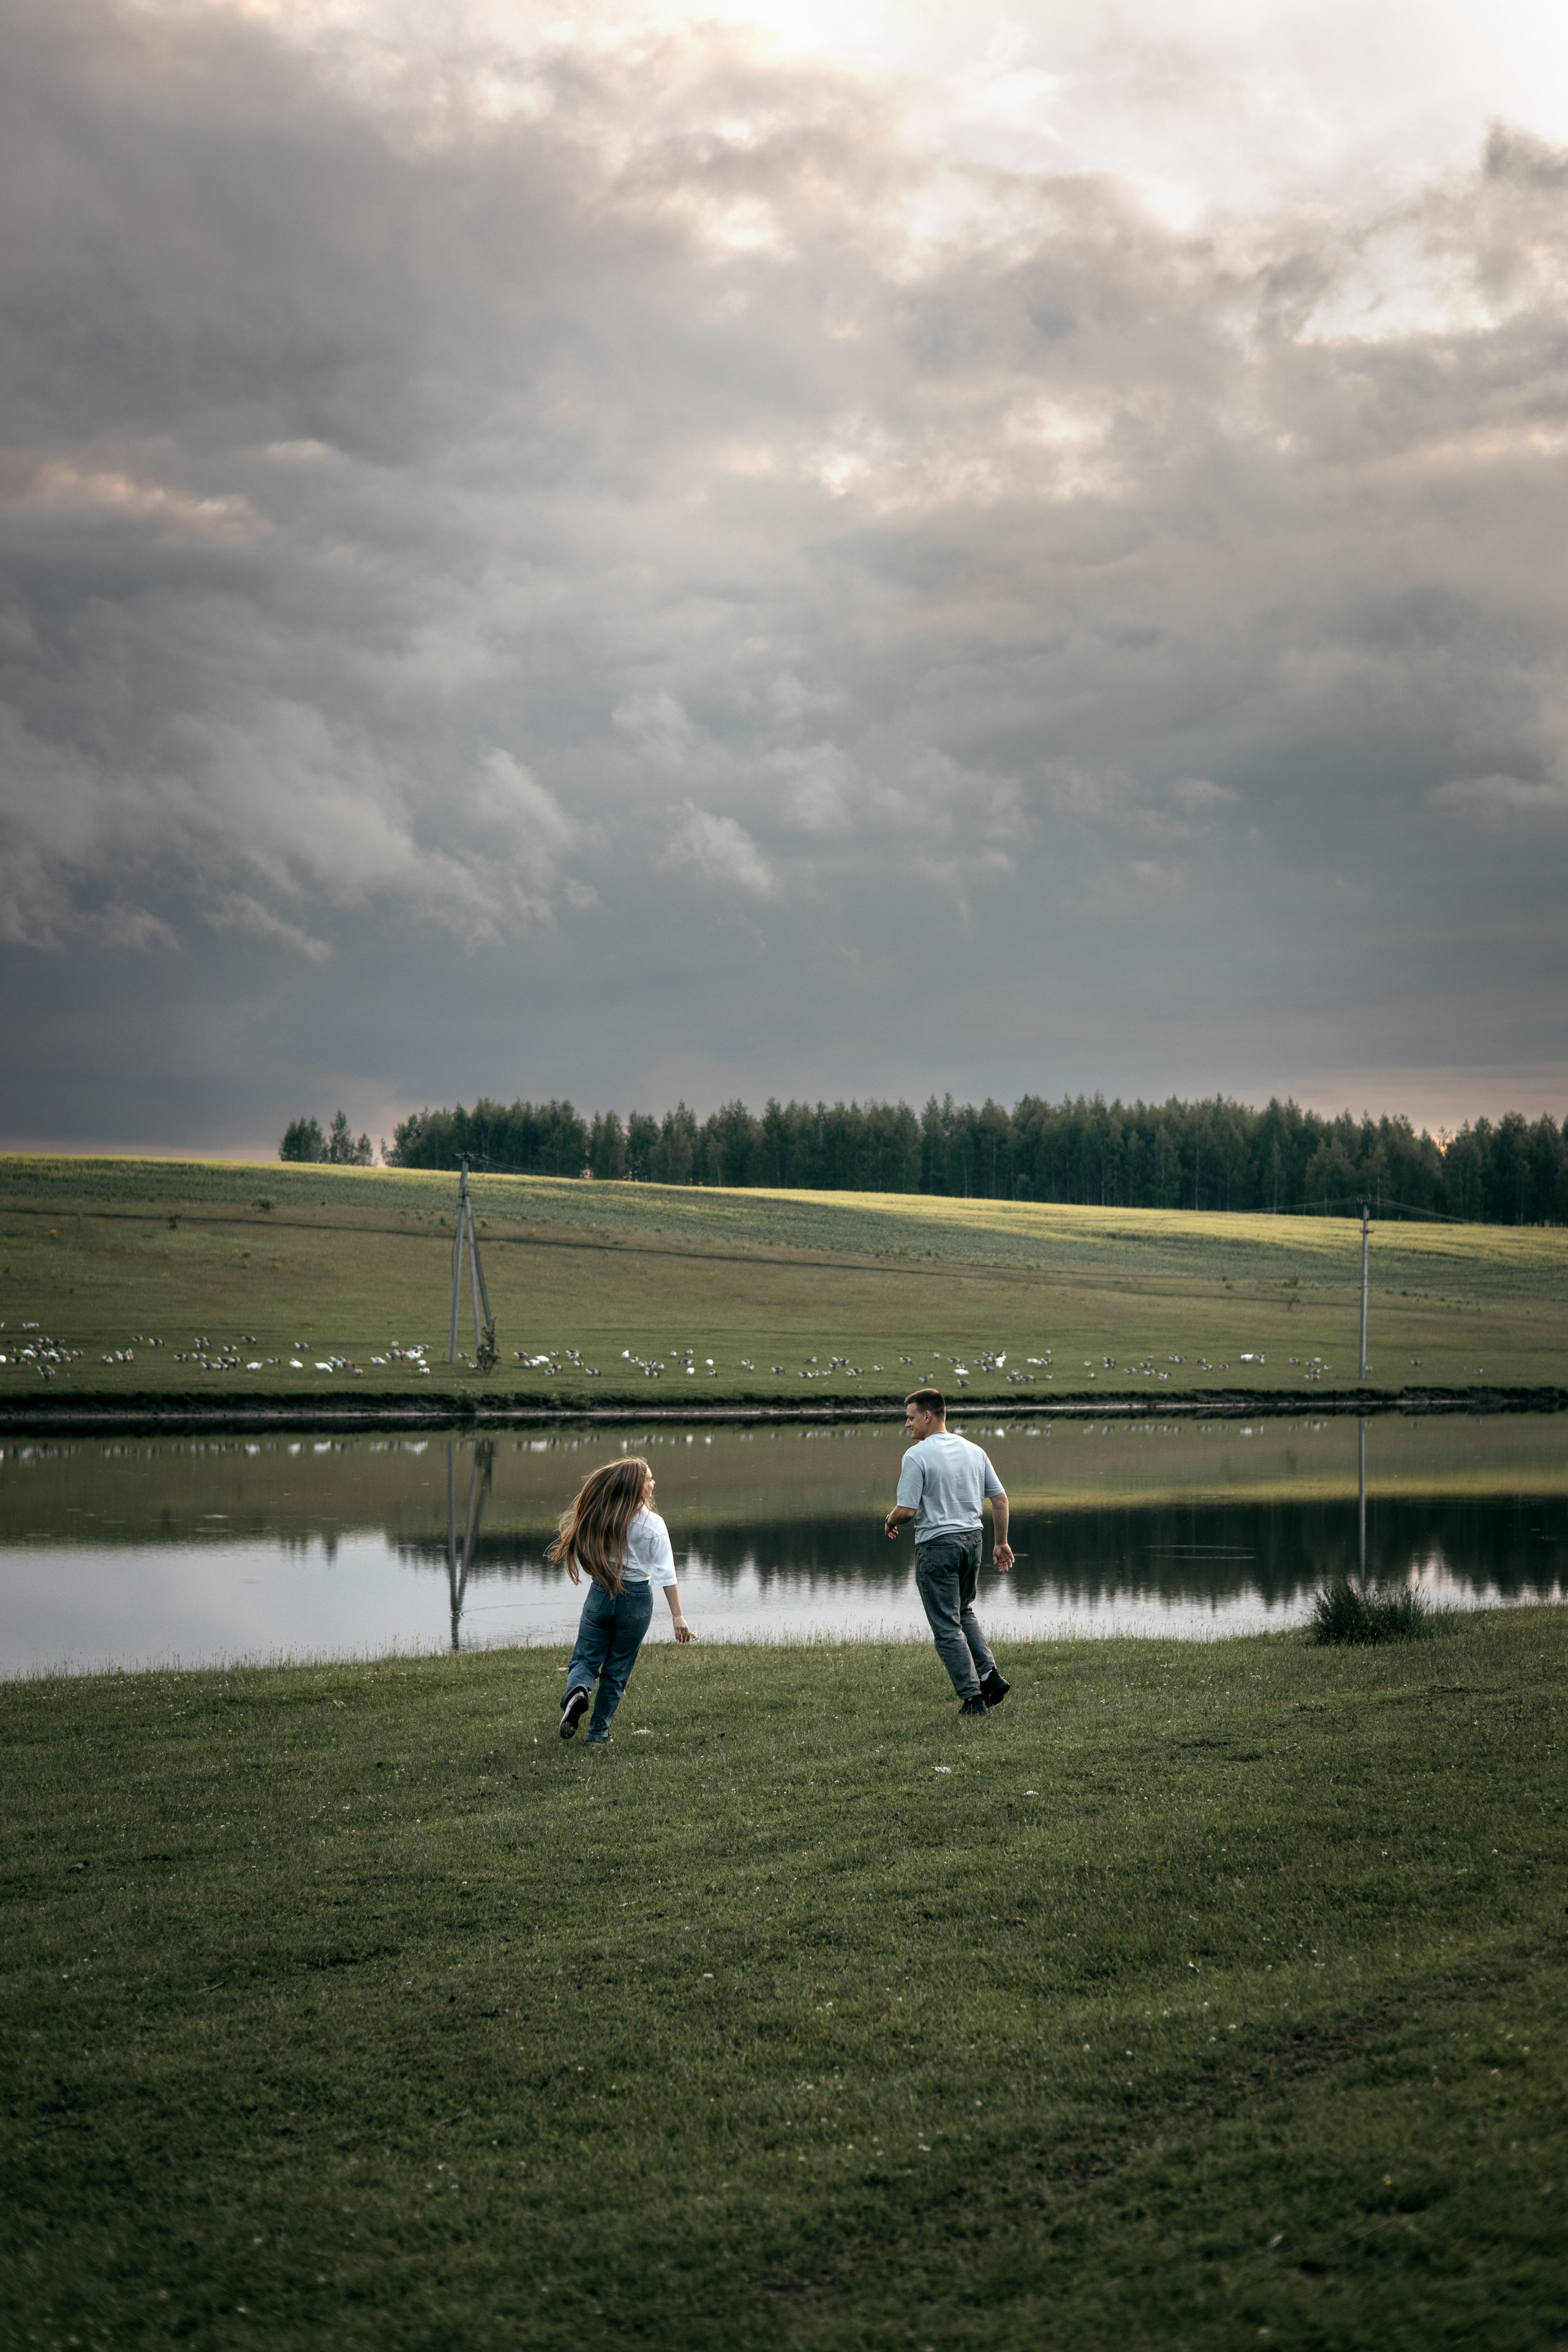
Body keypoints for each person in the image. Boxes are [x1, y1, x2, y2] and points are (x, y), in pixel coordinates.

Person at [884, 1389, 1013, 1716]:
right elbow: (1000, 1499)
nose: (907, 1424)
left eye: (911, 1418)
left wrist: (889, 1520)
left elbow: (908, 1510)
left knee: (946, 1625)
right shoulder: (974, 1450)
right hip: (974, 1542)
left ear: (928, 1416)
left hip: (937, 1547)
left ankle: (973, 1698)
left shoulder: (916, 1456)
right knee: (964, 1611)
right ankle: (990, 1677)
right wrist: (1001, 1543)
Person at [547, 1457, 692, 1744]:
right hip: (636, 1601)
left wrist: (595, 1572)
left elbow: (586, 1547)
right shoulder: (654, 1525)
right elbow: (666, 1574)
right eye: (649, 1479)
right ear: (637, 1487)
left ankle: (578, 1691)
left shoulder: (602, 1515)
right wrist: (678, 1616)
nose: (653, 1484)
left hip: (601, 1592)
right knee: (617, 1669)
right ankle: (598, 1733)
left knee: (585, 1659)